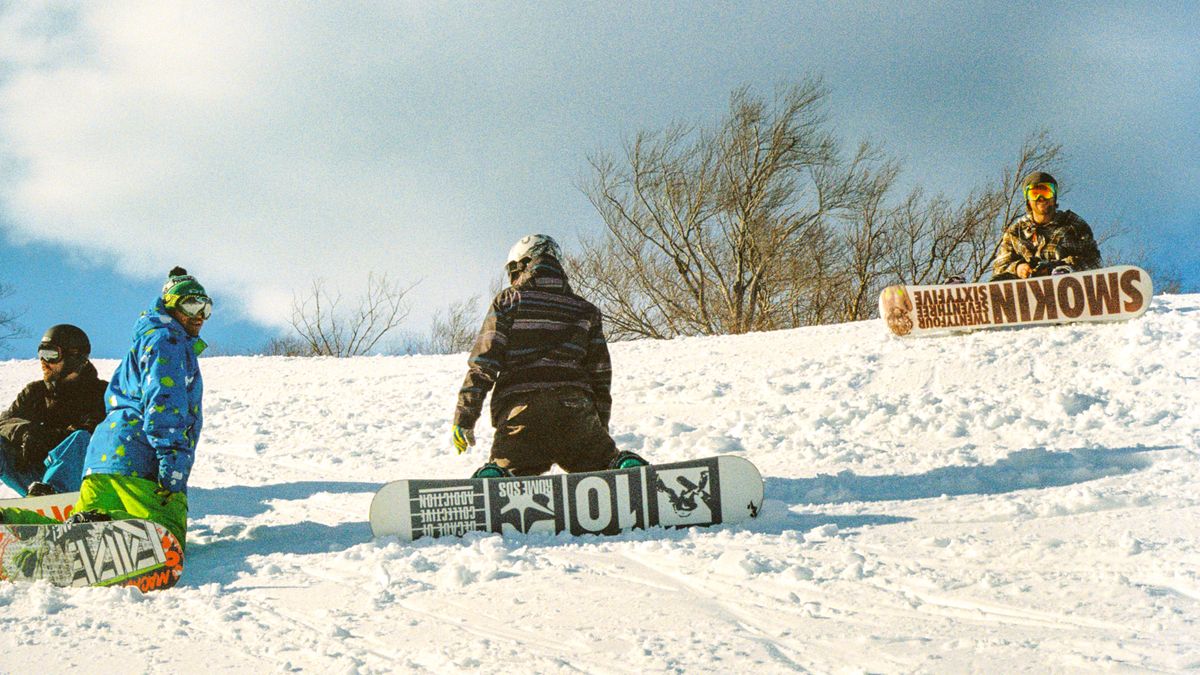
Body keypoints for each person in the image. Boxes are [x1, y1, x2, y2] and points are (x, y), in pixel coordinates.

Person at [0, 267, 209, 550]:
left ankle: (17, 519)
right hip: (133, 458)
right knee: (161, 530)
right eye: (192, 304)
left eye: (206, 307)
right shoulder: (167, 343)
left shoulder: (138, 351)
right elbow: (164, 404)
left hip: (96, 461)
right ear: (172, 306)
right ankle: (48, 503)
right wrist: (172, 460)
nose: (201, 314)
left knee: (95, 515)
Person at [450, 234, 646, 478]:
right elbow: (600, 376)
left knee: (509, 471)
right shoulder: (585, 310)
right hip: (574, 411)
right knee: (602, 465)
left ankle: (497, 478)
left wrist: (464, 417)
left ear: (521, 265)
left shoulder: (509, 301)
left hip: (521, 412)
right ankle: (621, 467)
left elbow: (483, 366)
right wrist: (598, 429)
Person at [0, 325, 107, 496]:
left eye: (51, 355)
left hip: (78, 481)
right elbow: (5, 421)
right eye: (41, 354)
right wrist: (25, 432)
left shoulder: (100, 393)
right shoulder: (35, 392)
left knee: (81, 439)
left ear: (74, 356)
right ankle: (39, 498)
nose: (43, 361)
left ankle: (52, 494)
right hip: (34, 481)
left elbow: (92, 433)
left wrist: (43, 437)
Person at [991, 171, 1103, 280]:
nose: (1041, 198)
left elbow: (1094, 262)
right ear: (1028, 200)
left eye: (1046, 192)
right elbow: (999, 267)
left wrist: (1062, 268)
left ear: (1054, 196)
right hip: (1026, 294)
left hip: (1066, 290)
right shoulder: (1016, 232)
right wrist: (1018, 268)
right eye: (1034, 193)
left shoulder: (1073, 225)